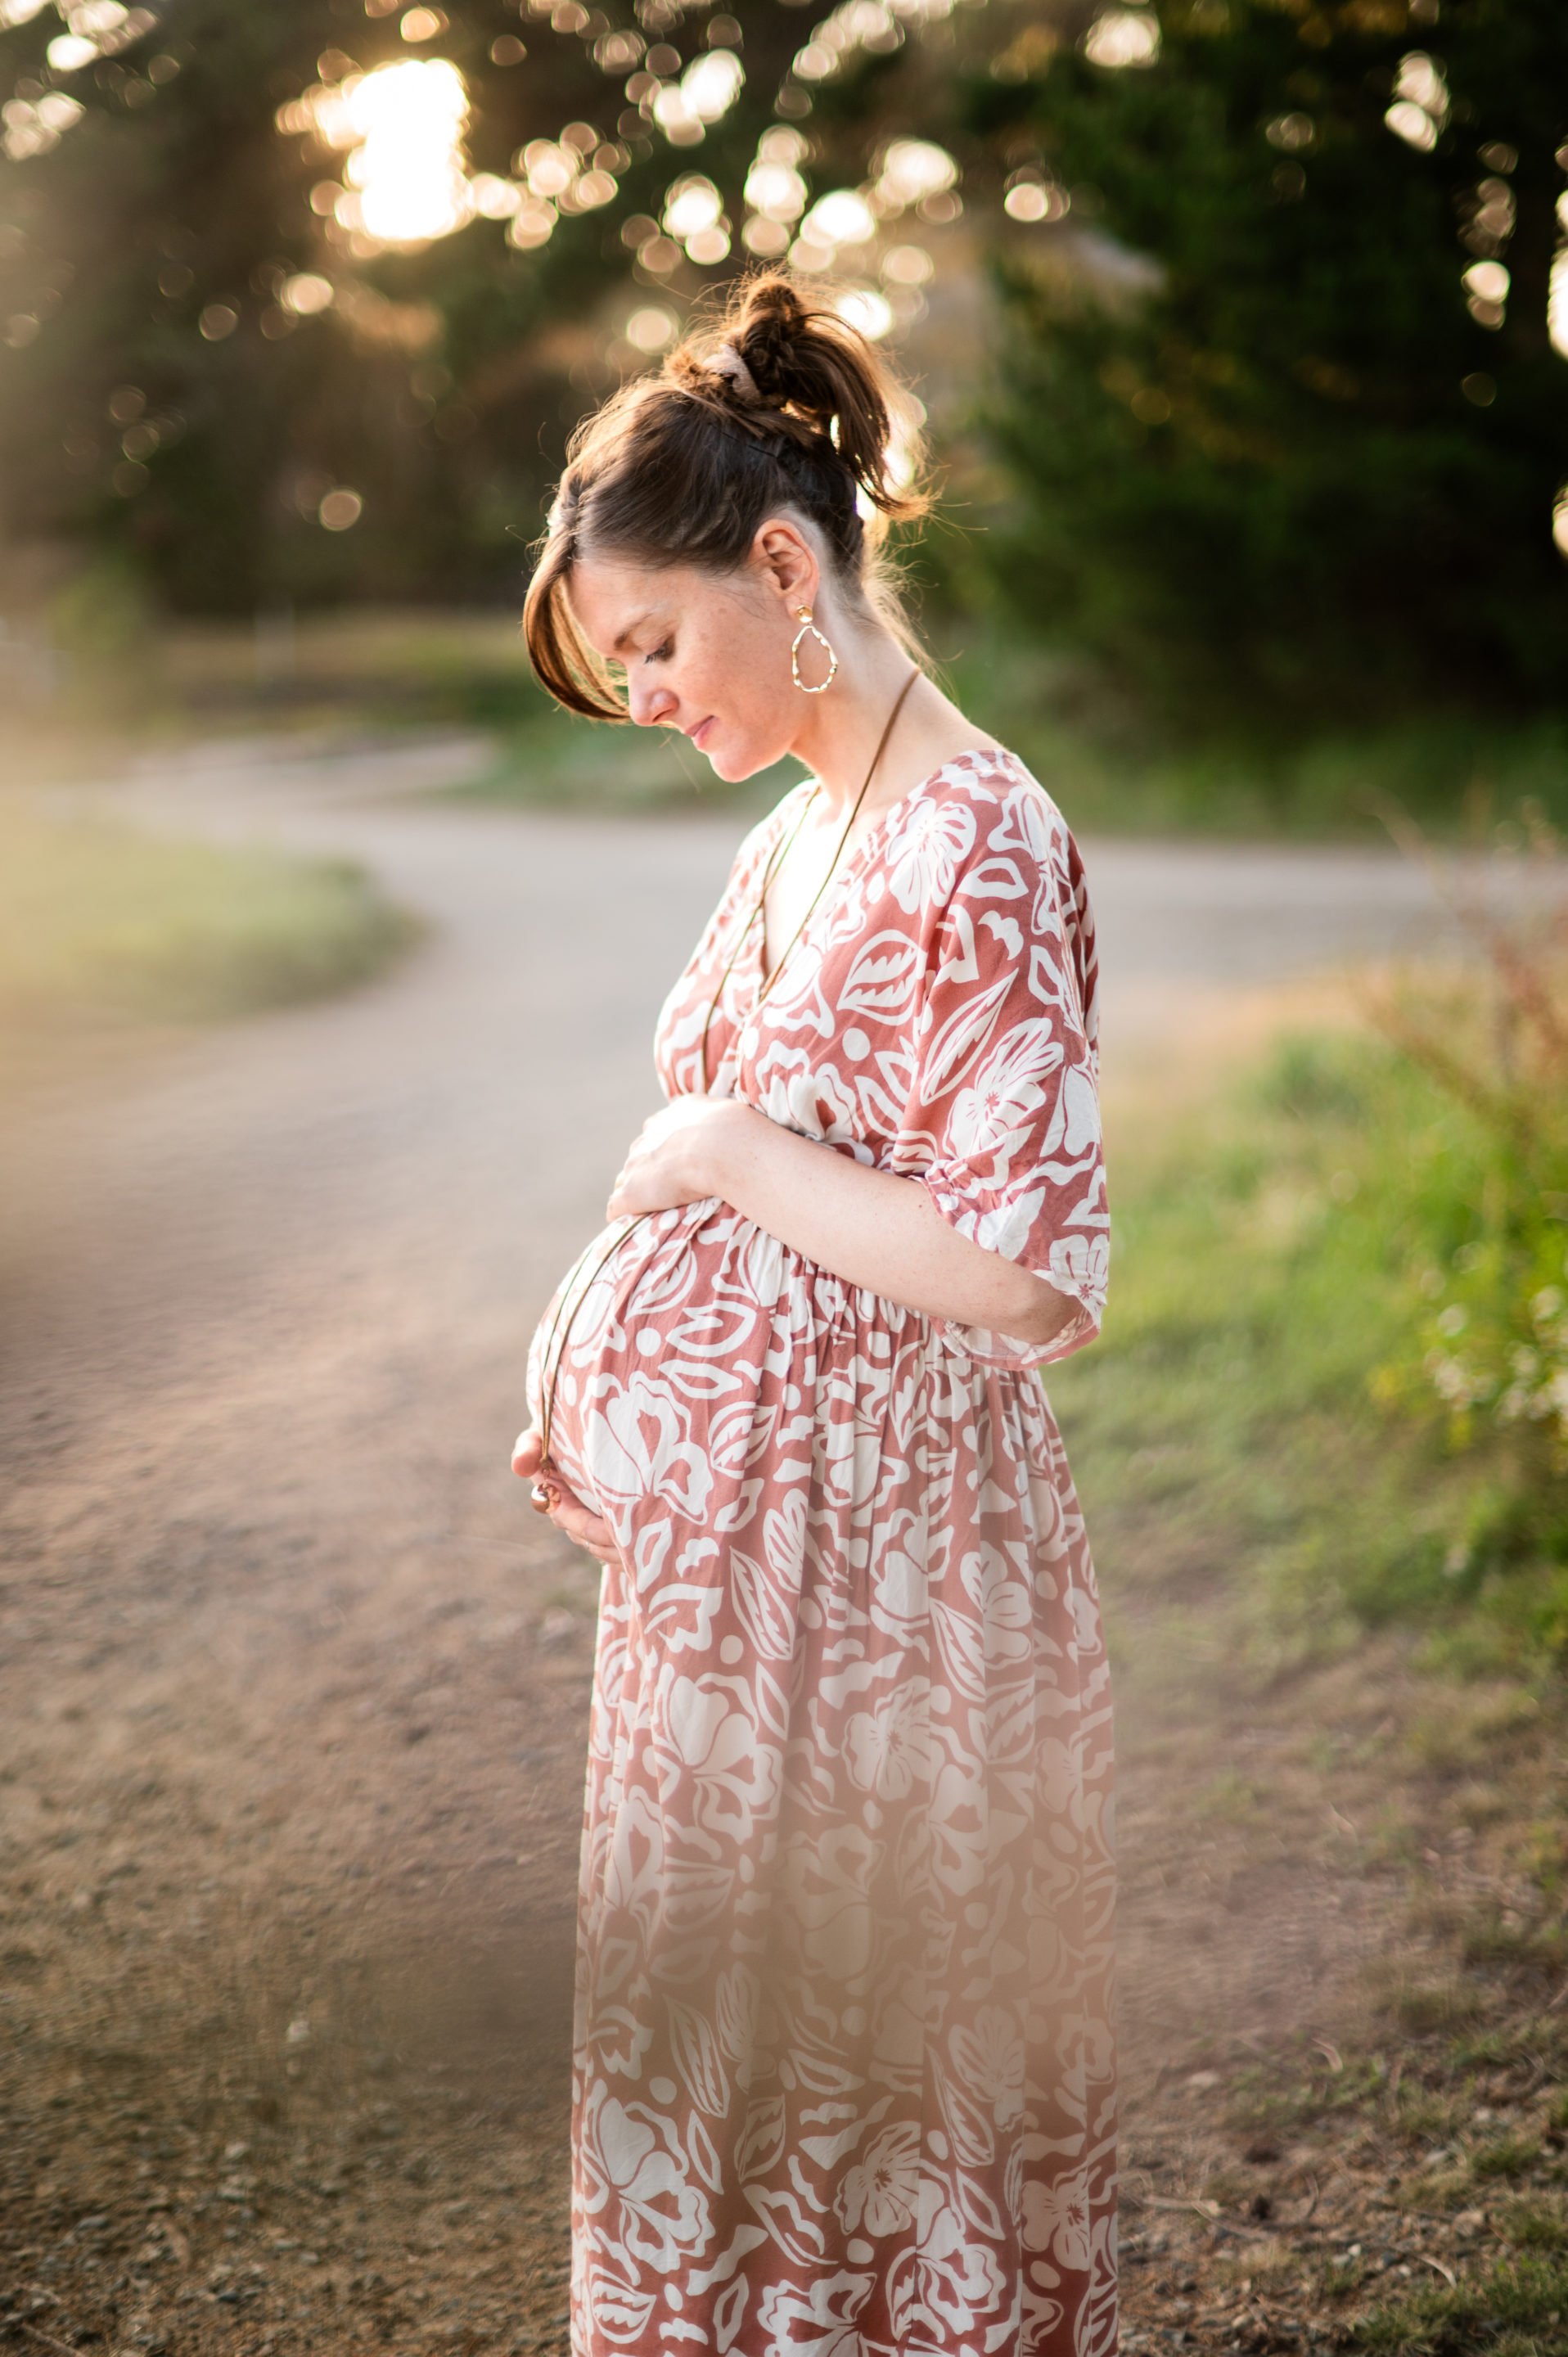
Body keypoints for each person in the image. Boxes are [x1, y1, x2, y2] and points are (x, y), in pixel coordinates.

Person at [511, 273, 1115, 2357]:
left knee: (868, 2079)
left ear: (784, 566)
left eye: (657, 647)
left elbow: (1029, 1268)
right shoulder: (796, 834)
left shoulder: (977, 835)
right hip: (743, 1587)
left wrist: (729, 1162)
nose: (651, 696)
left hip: (890, 1595)